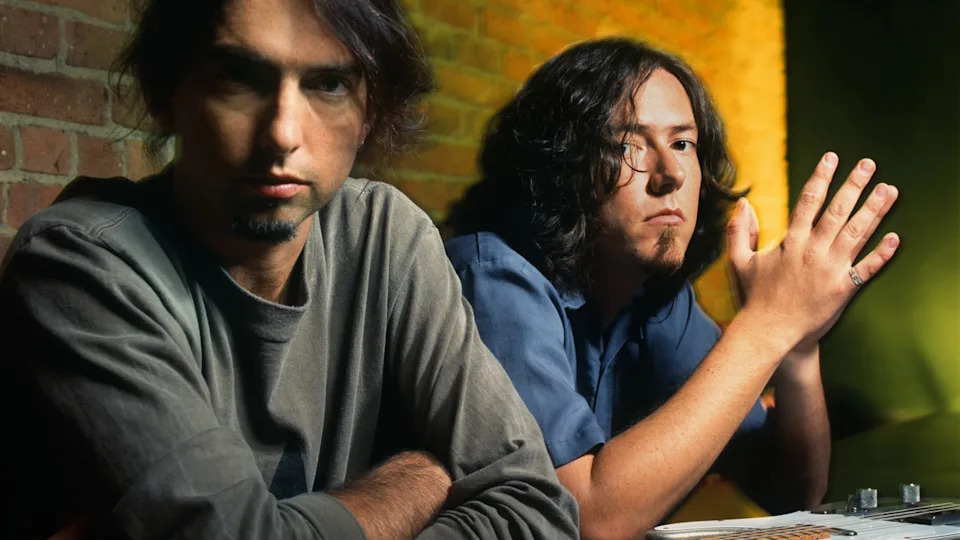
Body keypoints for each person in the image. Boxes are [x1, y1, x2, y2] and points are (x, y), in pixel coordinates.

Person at [0, 0, 579, 538]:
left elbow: (537, 509)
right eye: (237, 76)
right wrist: (420, 480)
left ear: (370, 112)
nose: (282, 133)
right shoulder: (78, 263)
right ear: (164, 93)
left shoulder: (384, 234)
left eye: (328, 84)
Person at [445, 38, 900, 539]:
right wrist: (768, 324)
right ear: (561, 166)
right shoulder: (494, 277)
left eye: (683, 144)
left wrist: (797, 342)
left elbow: (792, 493)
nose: (671, 175)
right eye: (628, 146)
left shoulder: (654, 297)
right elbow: (586, 518)